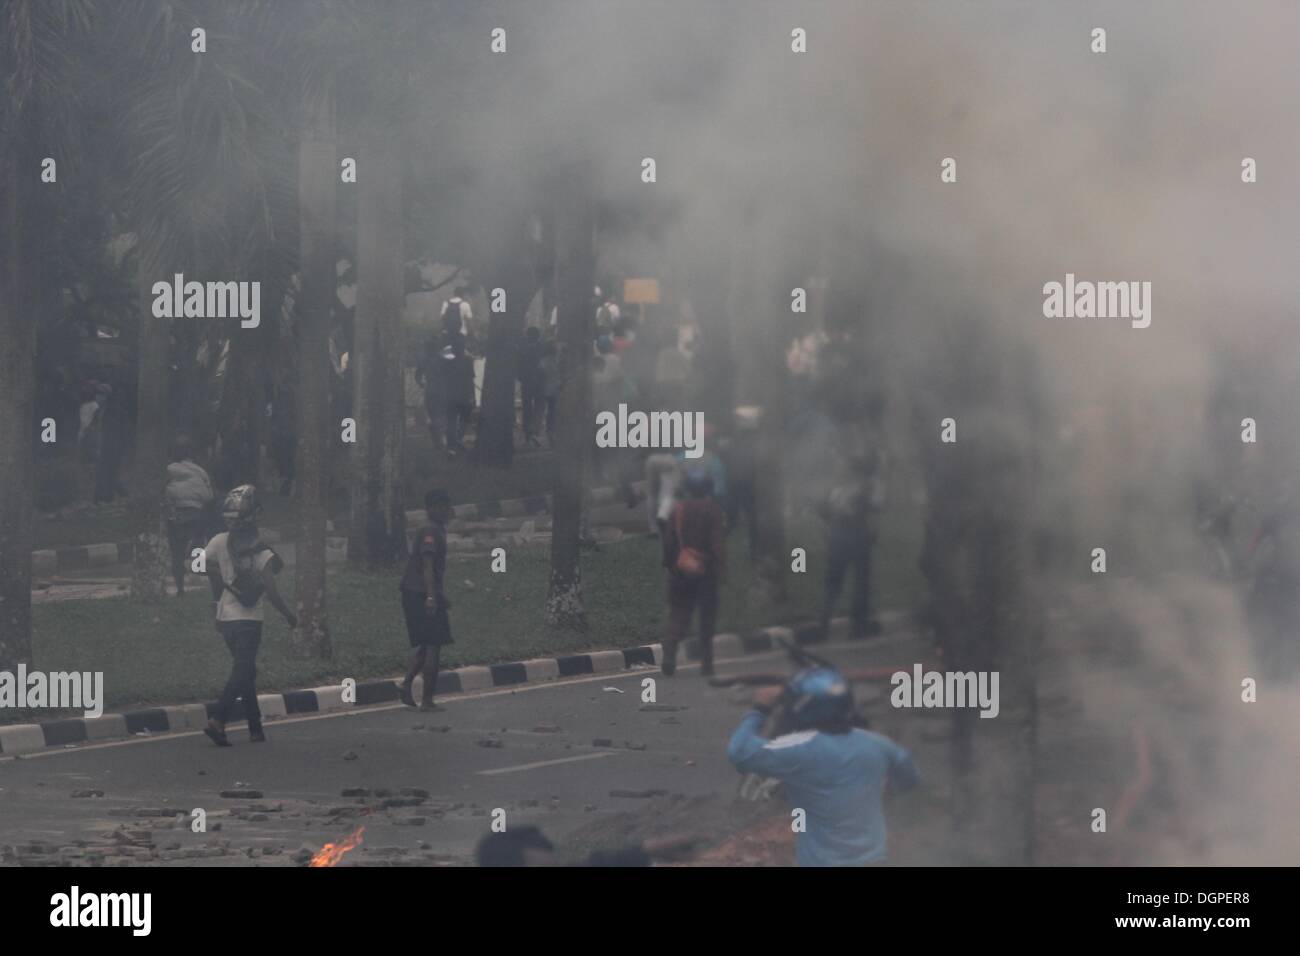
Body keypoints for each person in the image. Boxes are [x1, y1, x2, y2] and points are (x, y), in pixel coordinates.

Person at [727, 667, 919, 866]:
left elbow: (739, 751)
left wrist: (760, 708)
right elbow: (909, 778)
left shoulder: (798, 748)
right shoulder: (878, 744)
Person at [203, 485, 296, 746]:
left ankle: (255, 729)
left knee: (246, 672)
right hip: (249, 621)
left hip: (226, 619)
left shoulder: (218, 541)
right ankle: (218, 719)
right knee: (242, 671)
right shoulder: (262, 550)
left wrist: (219, 582)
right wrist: (289, 616)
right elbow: (272, 591)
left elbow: (198, 565)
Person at [661, 468, 726, 677]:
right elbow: (717, 545)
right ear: (708, 488)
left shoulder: (677, 510)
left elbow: (669, 541)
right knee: (707, 618)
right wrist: (721, 569)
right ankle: (707, 664)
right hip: (706, 573)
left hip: (680, 572)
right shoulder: (713, 510)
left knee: (679, 614)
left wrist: (671, 567)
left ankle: (670, 647)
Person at [816, 447, 885, 641]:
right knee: (860, 584)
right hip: (858, 540)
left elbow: (822, 515)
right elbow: (876, 511)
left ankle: (823, 624)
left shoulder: (835, 490)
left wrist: (827, 534)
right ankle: (858, 627)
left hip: (836, 540)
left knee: (832, 585)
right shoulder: (865, 489)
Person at [398, 488, 454, 711]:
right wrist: (432, 597)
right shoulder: (430, 530)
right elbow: (427, 567)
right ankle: (427, 700)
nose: (445, 510)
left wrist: (440, 596)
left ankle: (406, 684)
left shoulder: (437, 529)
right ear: (430, 509)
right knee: (433, 645)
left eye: (446, 505)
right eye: (440, 506)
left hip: (417, 592)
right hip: (420, 593)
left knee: (425, 642)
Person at [164, 434, 215, 596]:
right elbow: (208, 496)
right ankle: (198, 577)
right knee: (198, 547)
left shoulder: (168, 470)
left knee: (176, 553)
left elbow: (163, 493)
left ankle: (180, 588)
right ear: (190, 452)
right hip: (196, 515)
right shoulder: (200, 472)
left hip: (174, 516)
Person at [443, 333, 476, 454]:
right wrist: (472, 396)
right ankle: (456, 440)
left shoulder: (446, 361)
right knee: (465, 418)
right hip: (463, 395)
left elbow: (443, 378)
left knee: (451, 420)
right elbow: (470, 380)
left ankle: (453, 444)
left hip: (450, 394)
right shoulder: (468, 360)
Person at [517, 326, 546, 447]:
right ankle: (536, 432)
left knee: (527, 408)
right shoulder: (542, 348)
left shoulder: (523, 349)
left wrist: (520, 377)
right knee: (539, 407)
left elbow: (519, 366)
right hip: (539, 381)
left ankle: (527, 435)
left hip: (527, 381)